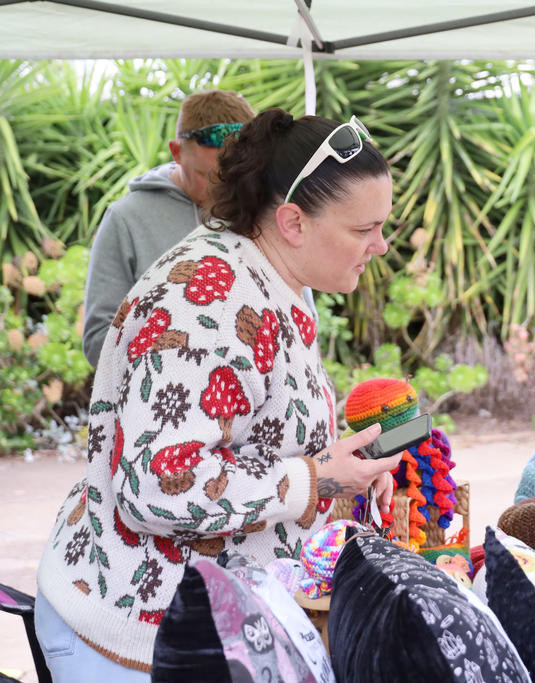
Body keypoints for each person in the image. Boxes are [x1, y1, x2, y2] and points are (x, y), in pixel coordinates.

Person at [35, 108, 402, 680]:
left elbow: (248, 428)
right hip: (135, 638)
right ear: (293, 222)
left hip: (190, 623)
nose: (379, 245)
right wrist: (314, 479)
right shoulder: (209, 303)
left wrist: (339, 466)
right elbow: (158, 483)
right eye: (364, 229)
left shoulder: (266, 274)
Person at [82, 89, 256, 367]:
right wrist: (180, 352)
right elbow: (97, 341)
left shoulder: (264, 211)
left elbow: (300, 315)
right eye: (206, 175)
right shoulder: (126, 219)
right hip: (159, 404)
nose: (222, 188)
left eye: (234, 175)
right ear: (176, 152)